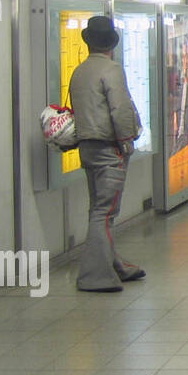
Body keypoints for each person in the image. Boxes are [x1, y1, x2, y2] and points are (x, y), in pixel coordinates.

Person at [68, 15, 146, 292]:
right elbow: (120, 109)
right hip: (108, 148)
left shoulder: (80, 71)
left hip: (87, 149)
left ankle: (116, 265)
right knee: (105, 213)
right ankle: (95, 277)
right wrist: (127, 142)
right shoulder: (111, 69)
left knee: (99, 209)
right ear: (112, 44)